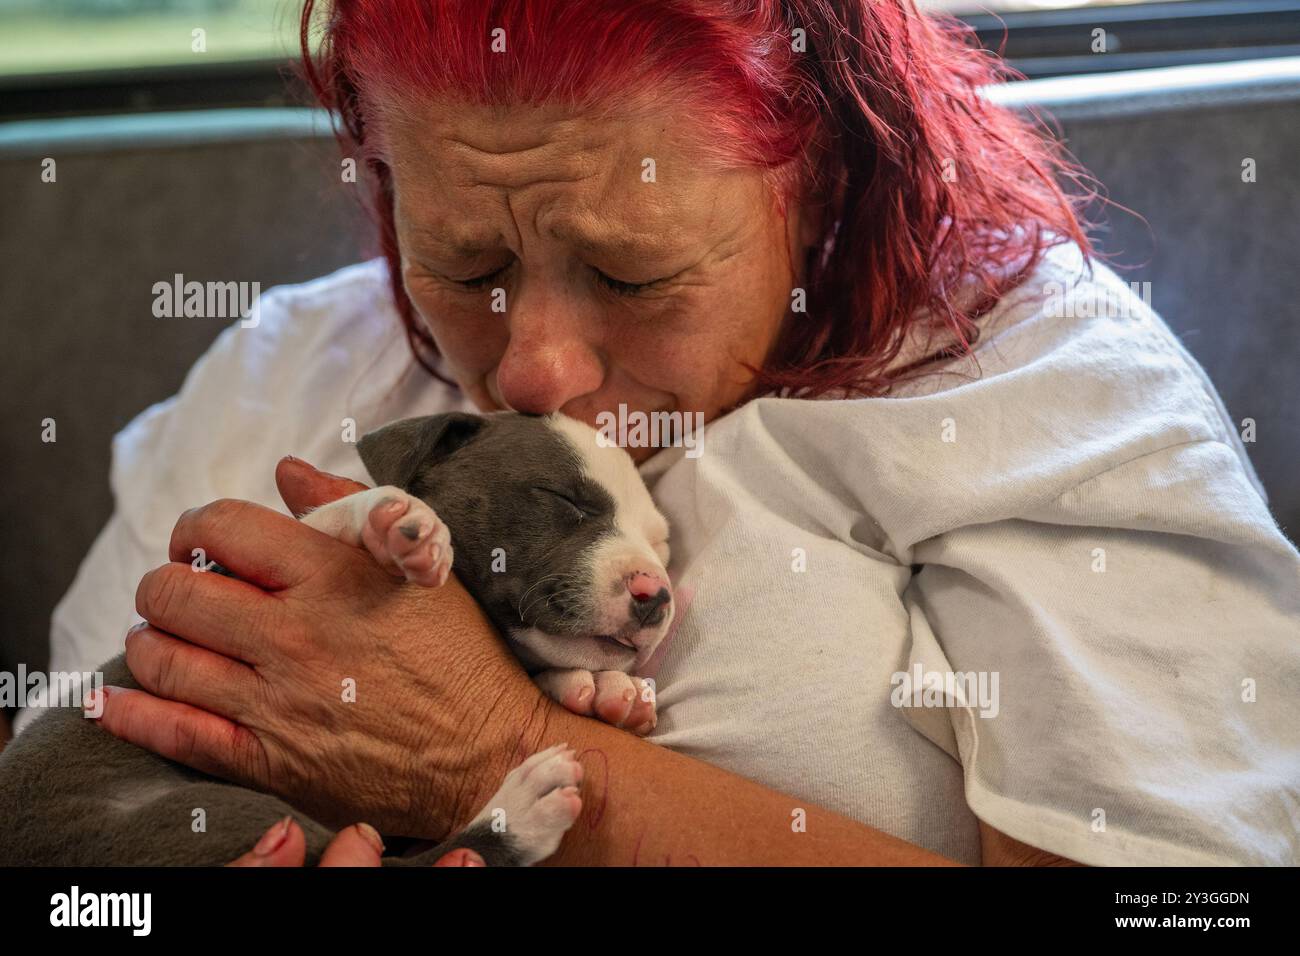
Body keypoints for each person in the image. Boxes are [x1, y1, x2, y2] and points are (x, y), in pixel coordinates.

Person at [19, 0, 1298, 866]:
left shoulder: (1033, 391)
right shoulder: (287, 367)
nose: (532, 369)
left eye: (631, 277)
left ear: (831, 173)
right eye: (461, 264)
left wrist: (516, 756)